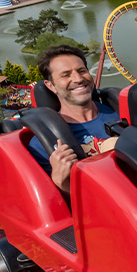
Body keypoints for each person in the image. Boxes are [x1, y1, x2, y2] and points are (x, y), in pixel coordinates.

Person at [29, 44, 120, 194]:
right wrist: (59, 181)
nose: (78, 79)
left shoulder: (118, 111)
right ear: (51, 86)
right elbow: (58, 208)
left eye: (82, 71)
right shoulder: (43, 143)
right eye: (66, 75)